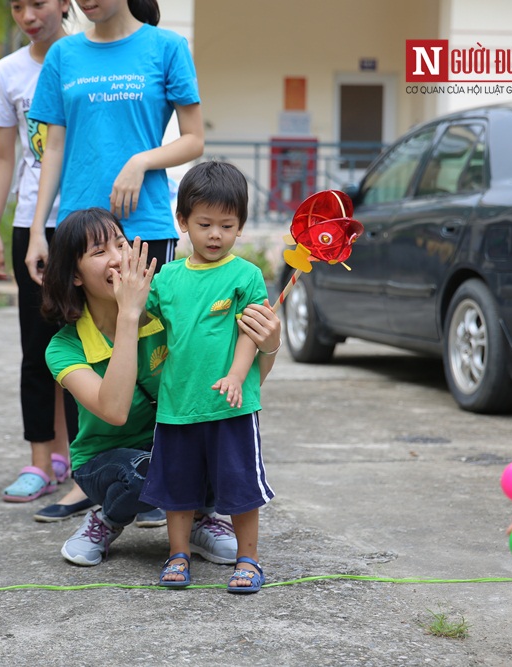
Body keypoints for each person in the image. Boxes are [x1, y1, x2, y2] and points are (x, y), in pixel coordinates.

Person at [41, 207, 281, 567]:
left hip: (170, 439)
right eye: (99, 252)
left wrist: (270, 344)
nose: (118, 259)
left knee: (226, 448)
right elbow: (116, 410)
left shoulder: (165, 312)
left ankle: (198, 519)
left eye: (121, 244)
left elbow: (231, 390)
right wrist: (128, 315)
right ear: (75, 276)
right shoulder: (63, 347)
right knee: (146, 471)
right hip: (107, 461)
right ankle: (107, 519)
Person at [137, 161, 278, 593]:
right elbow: (141, 322)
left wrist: (237, 376)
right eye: (204, 224)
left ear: (240, 228)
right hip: (177, 404)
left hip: (232, 405)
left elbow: (250, 336)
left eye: (226, 225)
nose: (214, 235)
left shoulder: (246, 276)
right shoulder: (167, 279)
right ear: (182, 222)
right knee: (176, 490)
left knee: (240, 487)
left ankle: (248, 559)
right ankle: (178, 554)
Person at [0, 0, 87, 516]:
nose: (28, 14)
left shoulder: (89, 56)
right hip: (33, 224)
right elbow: (5, 155)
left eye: (38, 2)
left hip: (85, 222)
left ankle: (78, 461)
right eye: (17, 5)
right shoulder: (8, 71)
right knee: (38, 345)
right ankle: (39, 462)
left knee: (86, 346)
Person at [24, 0, 203, 279]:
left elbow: (194, 140)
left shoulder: (168, 47)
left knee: (145, 322)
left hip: (144, 225)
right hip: (77, 229)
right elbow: (54, 149)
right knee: (79, 324)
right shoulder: (62, 54)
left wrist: (140, 162)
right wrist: (37, 232)